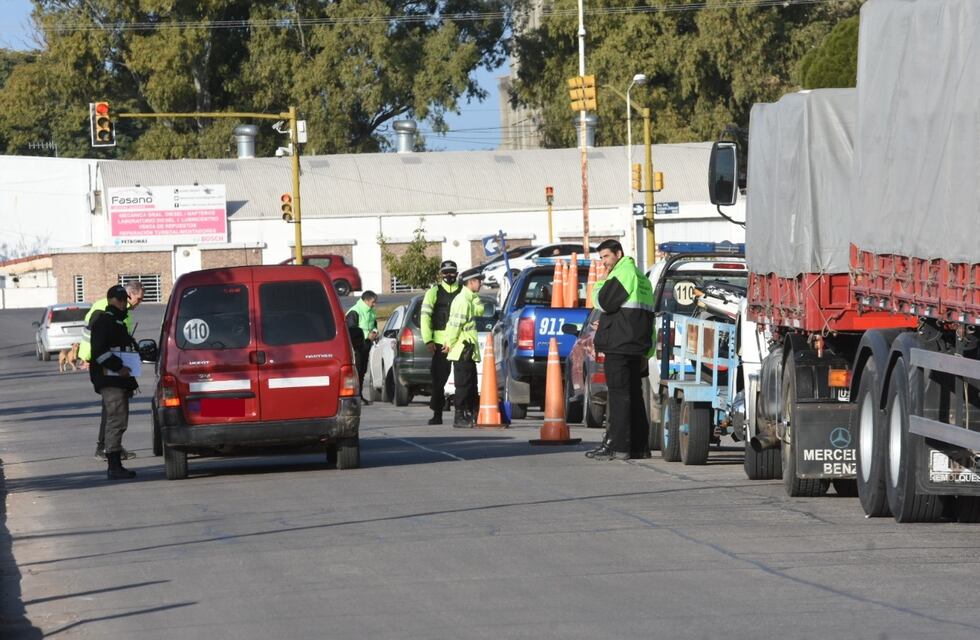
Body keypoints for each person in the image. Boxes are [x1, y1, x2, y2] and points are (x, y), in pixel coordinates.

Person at [587, 239, 656, 460]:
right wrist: (648, 351)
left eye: (606, 257)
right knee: (634, 396)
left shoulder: (623, 272)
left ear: (618, 253)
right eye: (601, 258)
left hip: (619, 344)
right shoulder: (642, 277)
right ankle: (638, 447)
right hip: (636, 346)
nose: (604, 262)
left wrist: (600, 283)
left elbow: (604, 302)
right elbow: (648, 316)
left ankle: (617, 446)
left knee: (618, 396)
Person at [81, 281, 144, 461]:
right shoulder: (104, 315)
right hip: (108, 374)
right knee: (113, 416)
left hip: (117, 374)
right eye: (124, 300)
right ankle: (108, 454)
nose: (130, 304)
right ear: (113, 300)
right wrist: (87, 358)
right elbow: (97, 345)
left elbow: (120, 341)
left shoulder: (119, 316)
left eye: (127, 300)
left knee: (116, 416)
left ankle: (112, 452)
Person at [420, 260, 463, 425]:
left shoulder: (462, 291)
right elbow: (425, 318)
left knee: (462, 381)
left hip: (459, 342)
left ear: (457, 273)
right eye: (445, 273)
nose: (449, 275)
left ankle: (461, 413)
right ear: (441, 274)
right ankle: (437, 413)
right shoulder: (433, 292)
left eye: (452, 272)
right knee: (438, 380)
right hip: (439, 343)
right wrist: (428, 340)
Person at [443, 268, 485, 428]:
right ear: (471, 282)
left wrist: (475, 297)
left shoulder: (469, 299)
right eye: (478, 280)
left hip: (467, 350)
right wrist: (450, 343)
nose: (481, 283)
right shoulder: (462, 301)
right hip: (461, 350)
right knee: (462, 386)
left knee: (471, 385)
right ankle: (459, 417)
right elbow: (454, 325)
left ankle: (472, 413)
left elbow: (480, 311)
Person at [346, 290, 378, 404]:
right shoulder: (355, 311)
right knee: (356, 372)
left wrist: (374, 332)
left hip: (366, 345)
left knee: (363, 371)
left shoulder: (371, 312)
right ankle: (353, 398)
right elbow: (351, 331)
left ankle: (359, 396)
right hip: (356, 347)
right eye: (373, 302)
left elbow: (374, 324)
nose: (375, 304)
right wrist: (366, 336)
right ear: (366, 300)